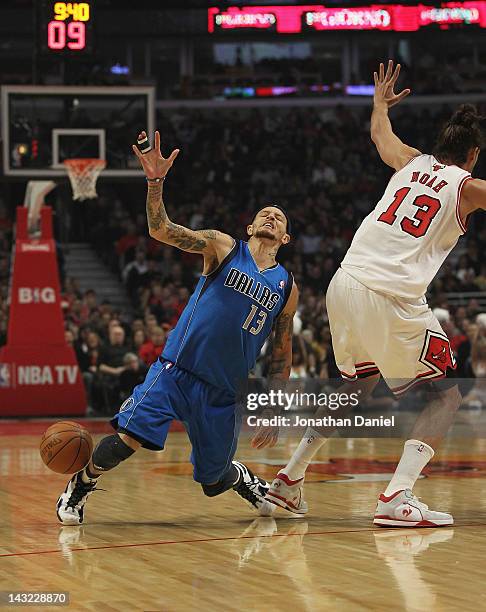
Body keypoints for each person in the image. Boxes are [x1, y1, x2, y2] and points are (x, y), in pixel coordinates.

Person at [264, 60, 485, 527]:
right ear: (472, 156)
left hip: (344, 283)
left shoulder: (410, 162)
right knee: (446, 396)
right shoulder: (467, 187)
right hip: (390, 293)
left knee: (356, 384)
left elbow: (380, 135)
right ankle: (397, 496)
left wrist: (379, 103)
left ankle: (288, 480)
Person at [57, 130, 298, 525]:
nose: (271, 216)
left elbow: (281, 352)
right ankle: (80, 485)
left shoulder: (287, 288)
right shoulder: (223, 247)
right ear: (251, 227)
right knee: (128, 438)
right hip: (176, 372)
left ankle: (238, 476)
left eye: (279, 217)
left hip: (224, 391)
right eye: (264, 213)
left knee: (213, 480)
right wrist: (155, 184)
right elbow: (161, 230)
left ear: (285, 237)